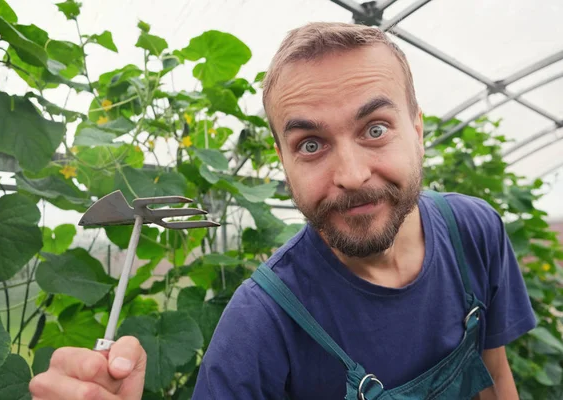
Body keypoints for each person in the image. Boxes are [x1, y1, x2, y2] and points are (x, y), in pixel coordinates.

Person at [29, 22, 537, 400]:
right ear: (284, 161)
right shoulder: (260, 325)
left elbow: (494, 374)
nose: (352, 174)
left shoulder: (475, 230)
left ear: (418, 130)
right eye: (311, 144)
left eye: (375, 129)